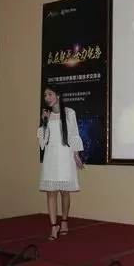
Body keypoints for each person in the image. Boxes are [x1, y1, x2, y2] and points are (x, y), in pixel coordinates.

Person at [37, 85, 84, 240]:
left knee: (64, 192)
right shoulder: (47, 115)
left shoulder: (69, 113)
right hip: (51, 158)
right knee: (51, 193)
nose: (47, 98)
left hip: (65, 157)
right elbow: (42, 142)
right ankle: (53, 226)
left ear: (58, 95)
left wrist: (76, 155)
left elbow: (74, 134)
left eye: (50, 94)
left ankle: (64, 221)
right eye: (45, 95)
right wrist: (44, 122)